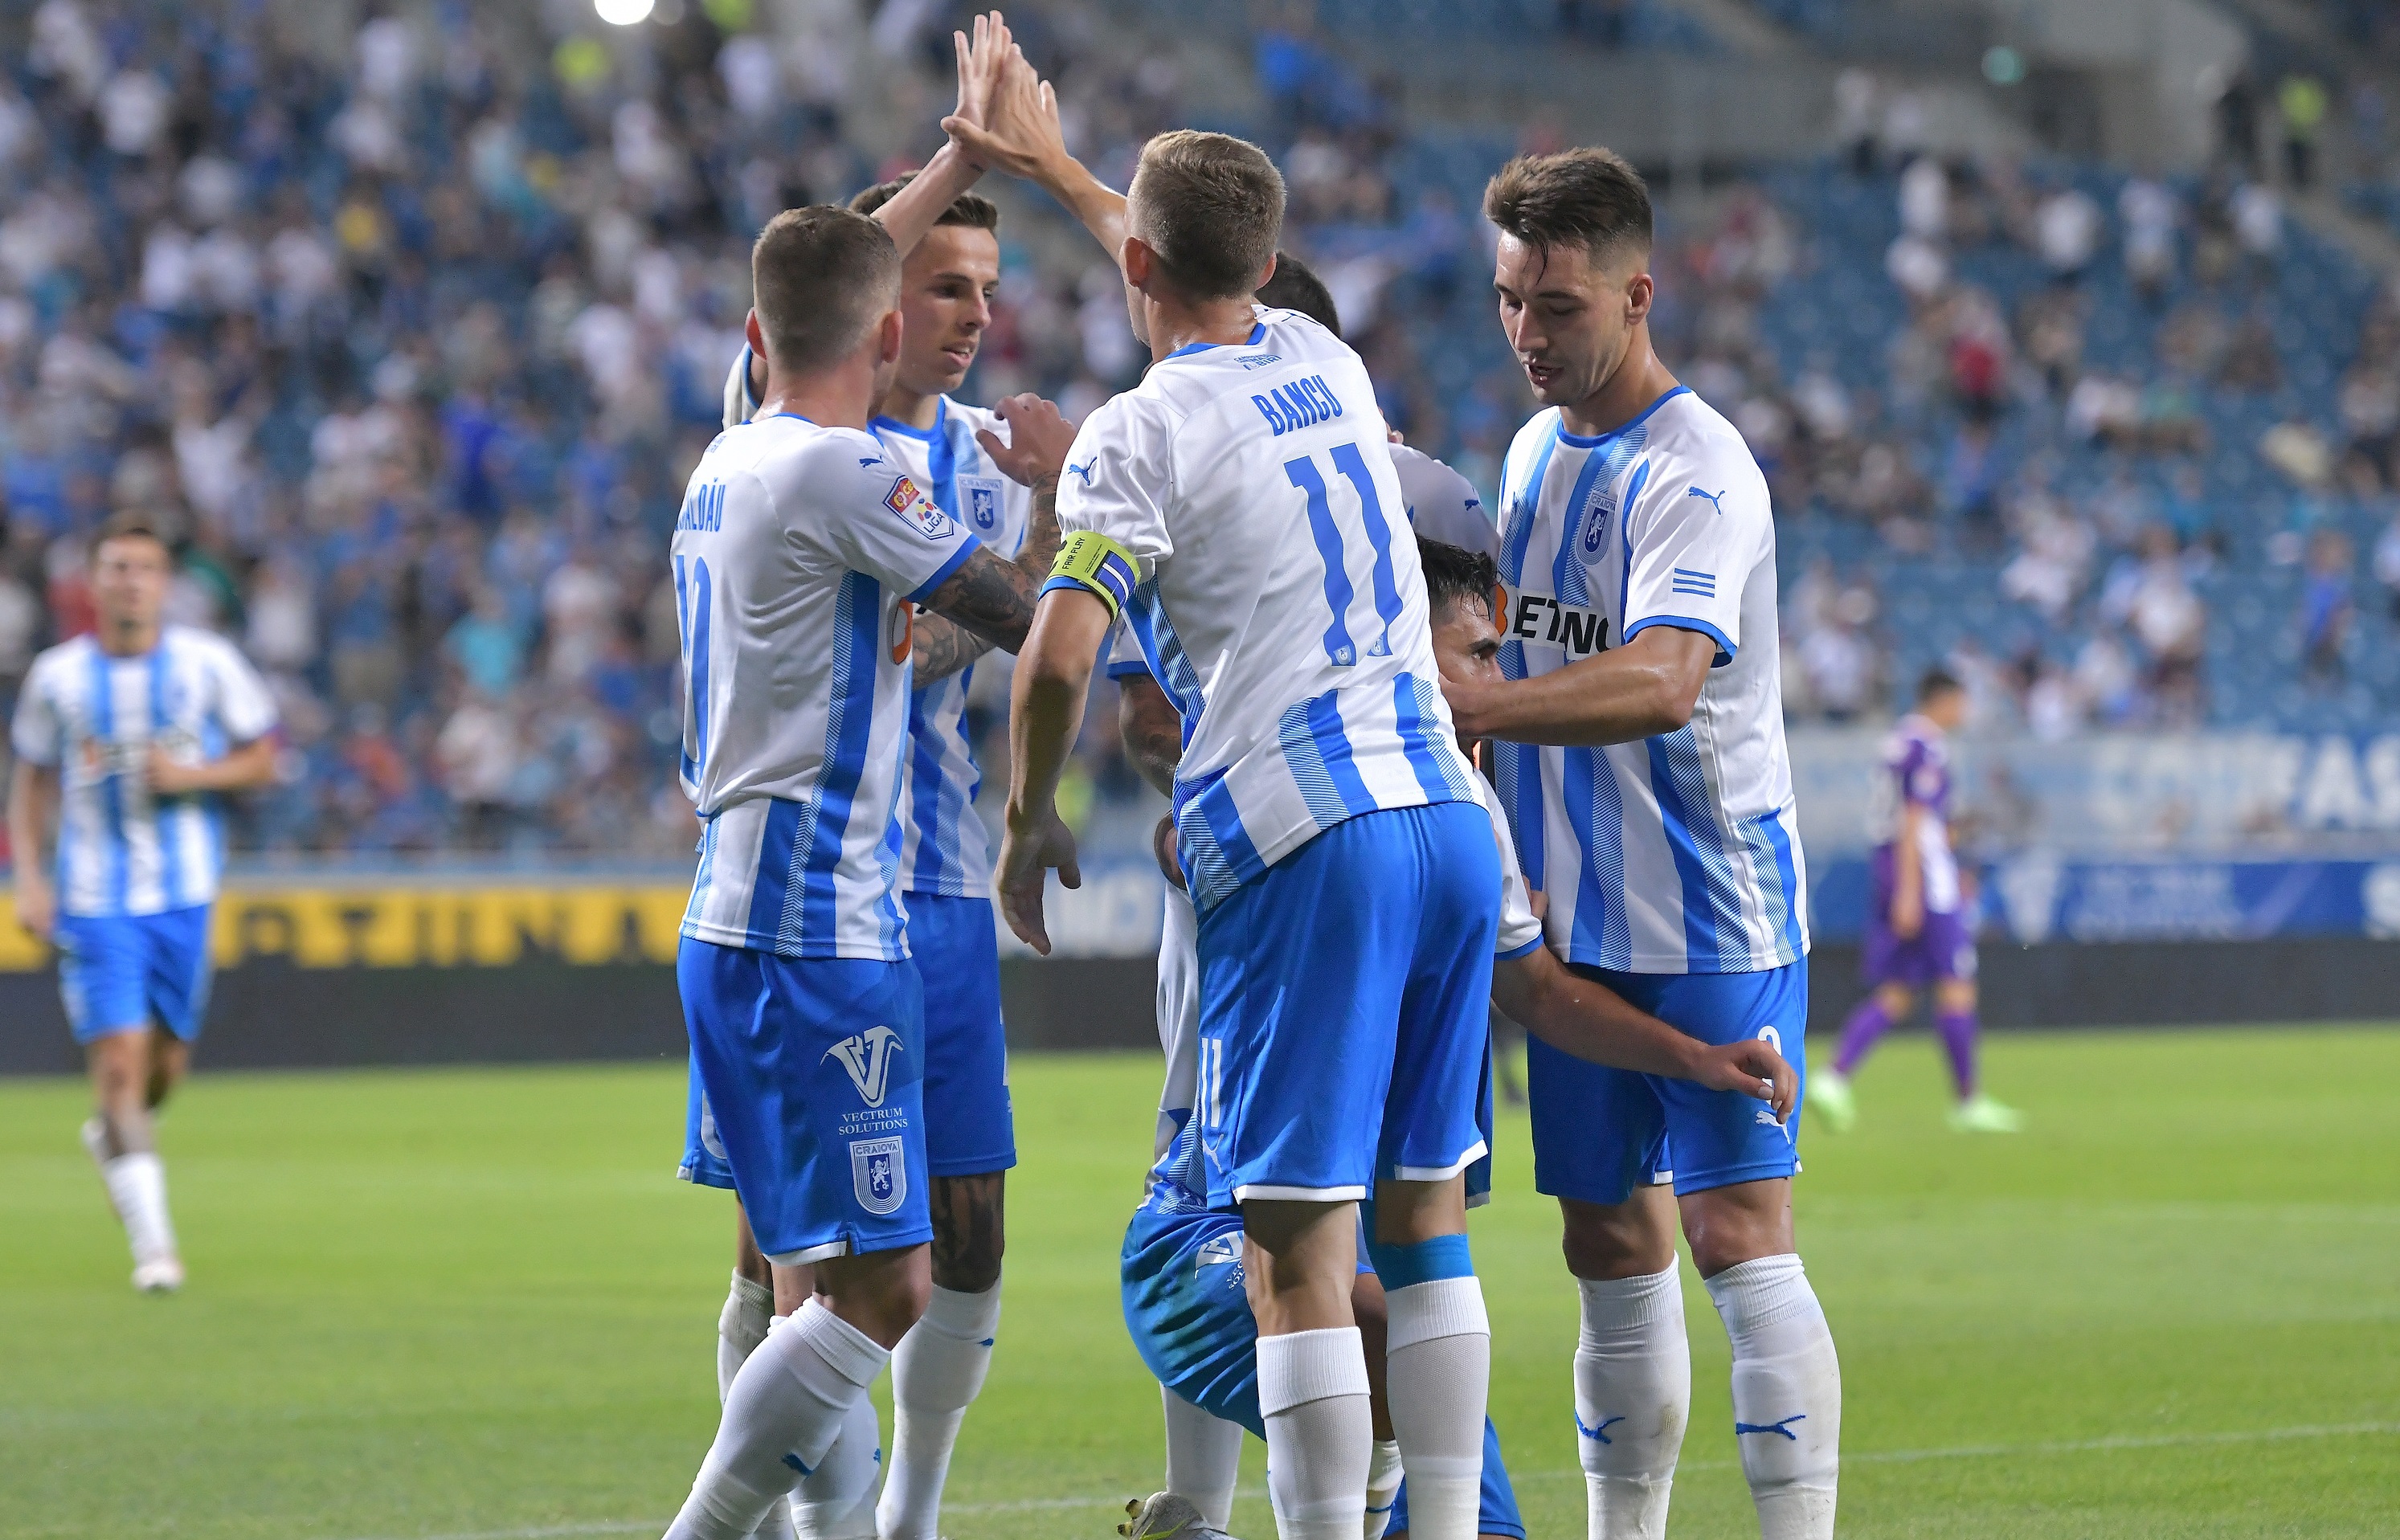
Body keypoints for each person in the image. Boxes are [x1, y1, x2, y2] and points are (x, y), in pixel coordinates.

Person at [992, 127, 1498, 1540]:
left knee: (1292, 1254)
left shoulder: (1132, 436)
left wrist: (1030, 822)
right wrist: (1053, 163)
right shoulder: (1325, 363)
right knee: (1425, 1222)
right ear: (1269, 268)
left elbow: (1053, 658)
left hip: (1304, 832)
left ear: (1139, 267)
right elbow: (1176, 248)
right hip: (1446, 814)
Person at [1112, 538, 1797, 1540]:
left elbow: (1541, 993)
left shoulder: (1462, 804)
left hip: (1367, 1264)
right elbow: (1178, 822)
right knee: (1384, 1345)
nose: (1497, 682)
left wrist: (1695, 1059)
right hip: (1206, 1233)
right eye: (1475, 655)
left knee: (1466, 1494)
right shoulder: (1275, 780)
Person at [655, 26, 1074, 1538]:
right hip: (819, 905)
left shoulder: (756, 453)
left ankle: (868, 1521)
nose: (965, 316)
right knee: (824, 1268)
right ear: (881, 315)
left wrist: (965, 155)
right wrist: (1079, 520)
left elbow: (813, 278)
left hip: (869, 899)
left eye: (986, 291)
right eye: (937, 285)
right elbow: (1032, 615)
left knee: (911, 1246)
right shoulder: (835, 459)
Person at [1439, 149, 1839, 1540]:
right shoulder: (1532, 453)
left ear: (1636, 293)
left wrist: (1480, 701)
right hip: (1575, 922)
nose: (1528, 335)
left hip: (1712, 909)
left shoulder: (1700, 471)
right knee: (1607, 1238)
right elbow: (1514, 653)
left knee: (1735, 1236)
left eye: (1556, 306)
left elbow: (1666, 677)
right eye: (1509, 303)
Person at [7, 511, 278, 1293]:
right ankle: (155, 1250)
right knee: (120, 1068)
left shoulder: (206, 665)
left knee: (164, 1072)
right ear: (93, 581)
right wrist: (30, 879)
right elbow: (29, 780)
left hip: (184, 897)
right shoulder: (57, 677)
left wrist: (194, 777)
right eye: (116, 567)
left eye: (144, 568)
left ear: (164, 584)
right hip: (93, 900)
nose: (129, 581)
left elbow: (266, 759)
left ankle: (116, 1137)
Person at [1812, 669, 2021, 1135]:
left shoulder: (1896, 742)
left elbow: (1918, 824)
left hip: (1896, 867)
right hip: (1921, 879)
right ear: (1942, 700)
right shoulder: (1927, 746)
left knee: (1896, 992)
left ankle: (1832, 1078)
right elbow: (1914, 821)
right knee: (1957, 984)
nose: (1964, 713)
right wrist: (1915, 890)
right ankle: (1969, 1102)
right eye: (1961, 702)